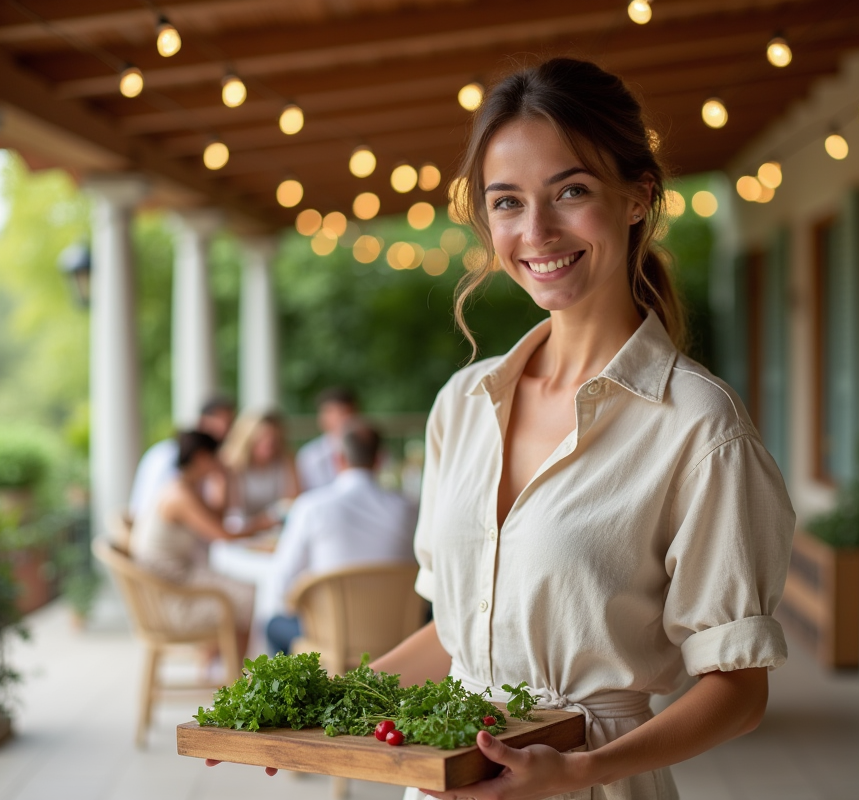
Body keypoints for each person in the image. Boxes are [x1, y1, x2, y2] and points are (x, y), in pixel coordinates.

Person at [210, 58, 794, 800]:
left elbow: (739, 691)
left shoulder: (700, 428)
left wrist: (580, 770)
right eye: (507, 203)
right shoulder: (462, 404)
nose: (537, 230)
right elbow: (454, 637)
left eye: (571, 191)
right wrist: (313, 714)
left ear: (637, 196)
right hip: (447, 777)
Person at [258, 420, 416, 655]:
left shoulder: (311, 507)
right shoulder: (410, 509)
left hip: (330, 637)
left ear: (338, 459)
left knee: (272, 624)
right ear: (380, 459)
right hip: (399, 633)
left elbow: (282, 582)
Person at [132, 430, 275, 660]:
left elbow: (217, 518)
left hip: (176, 584)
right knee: (252, 597)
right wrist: (263, 523)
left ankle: (230, 672)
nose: (220, 461)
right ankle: (236, 677)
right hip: (172, 599)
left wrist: (226, 480)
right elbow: (223, 534)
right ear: (201, 457)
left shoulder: (182, 487)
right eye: (216, 456)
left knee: (246, 591)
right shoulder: (179, 495)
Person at [128, 396, 236, 523]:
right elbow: (145, 511)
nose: (226, 431)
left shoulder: (209, 467)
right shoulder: (166, 457)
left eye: (230, 424)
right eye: (223, 422)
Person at [219, 410, 300, 527]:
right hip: (241, 530)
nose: (269, 444)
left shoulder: (287, 461)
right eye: (262, 438)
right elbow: (231, 512)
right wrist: (260, 523)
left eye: (274, 439)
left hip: (277, 528)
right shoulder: (230, 466)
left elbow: (293, 501)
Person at [295, 386, 358, 491]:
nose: (345, 419)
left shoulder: (372, 450)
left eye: (346, 413)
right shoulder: (310, 455)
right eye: (338, 413)